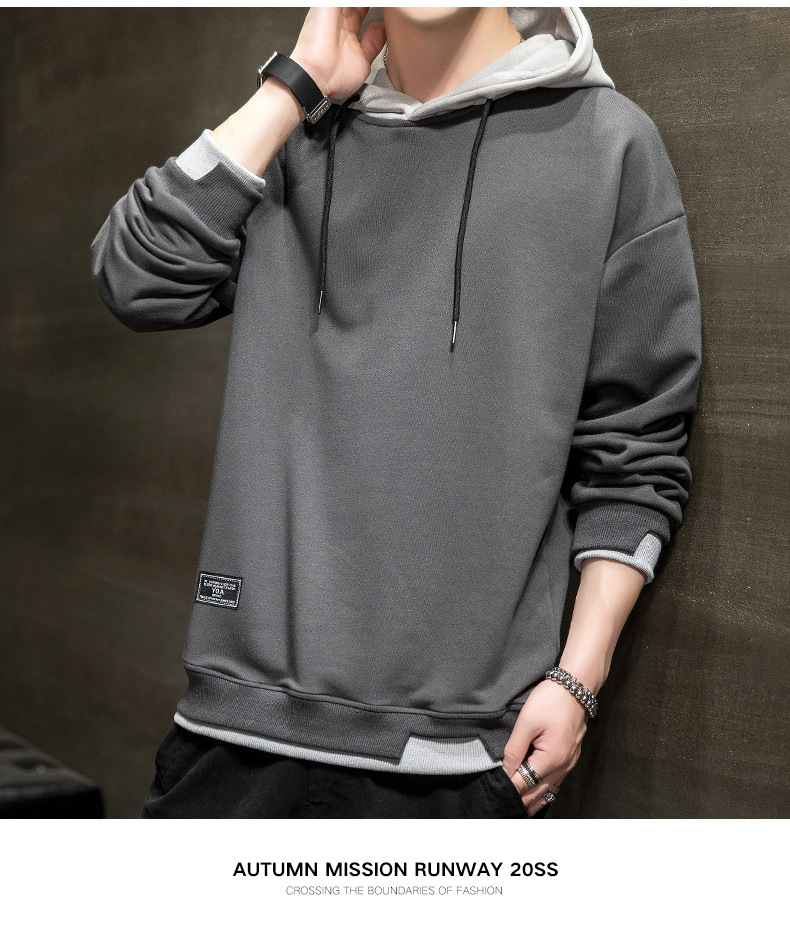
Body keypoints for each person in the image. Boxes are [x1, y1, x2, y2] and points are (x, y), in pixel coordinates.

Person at [90, 6, 702, 819]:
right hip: (233, 736)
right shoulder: (292, 139)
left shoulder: (608, 145)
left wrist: (578, 678)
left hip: (459, 757)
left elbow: (636, 447)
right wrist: (292, 89)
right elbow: (134, 277)